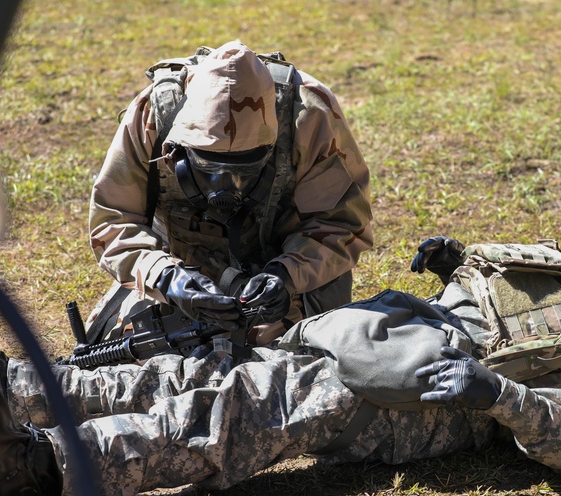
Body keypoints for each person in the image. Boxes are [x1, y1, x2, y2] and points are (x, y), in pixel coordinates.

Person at [0, 237, 561, 496]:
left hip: (424, 401)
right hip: (401, 333)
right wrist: (459, 262)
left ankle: (38, 469)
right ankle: (7, 390)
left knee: (240, 411)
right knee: (207, 370)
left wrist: (499, 398)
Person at [85, 40, 374, 347]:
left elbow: (342, 224)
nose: (226, 186)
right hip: (179, 268)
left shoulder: (308, 116)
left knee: (300, 361)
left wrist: (286, 275)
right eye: (208, 168)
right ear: (180, 151)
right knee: (120, 350)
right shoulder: (153, 117)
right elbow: (112, 222)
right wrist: (167, 278)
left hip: (286, 273)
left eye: (245, 169)